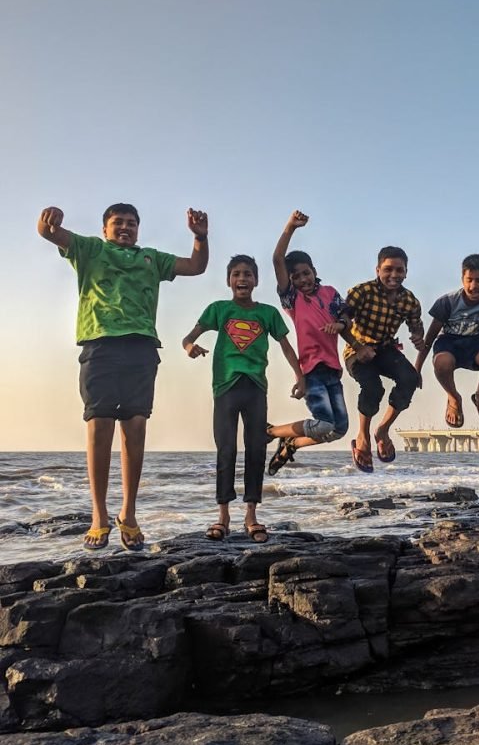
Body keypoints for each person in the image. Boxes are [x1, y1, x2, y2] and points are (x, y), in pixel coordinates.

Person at [37, 203, 209, 551]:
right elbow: (49, 233)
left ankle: (128, 514)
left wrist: (199, 237)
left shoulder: (152, 258)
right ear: (105, 229)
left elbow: (196, 266)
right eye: (118, 223)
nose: (125, 228)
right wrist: (49, 219)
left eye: (131, 223)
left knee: (135, 426)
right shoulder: (90, 249)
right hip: (99, 346)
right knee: (99, 425)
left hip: (142, 347)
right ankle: (99, 515)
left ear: (138, 229)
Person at [182, 255, 304, 542]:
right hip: (225, 387)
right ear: (229, 281)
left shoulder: (267, 313)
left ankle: (251, 515)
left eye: (248, 274)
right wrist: (189, 346)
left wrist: (300, 376)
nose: (242, 279)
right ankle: (222, 515)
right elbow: (189, 337)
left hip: (255, 387)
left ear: (256, 281)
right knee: (226, 450)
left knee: (255, 450)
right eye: (236, 274)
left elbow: (286, 347)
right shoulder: (219, 309)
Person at [266, 211, 349, 474]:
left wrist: (342, 324)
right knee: (324, 424)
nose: (303, 280)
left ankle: (291, 445)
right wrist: (290, 227)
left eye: (306, 273)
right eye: (296, 277)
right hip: (311, 370)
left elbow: (347, 315)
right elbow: (277, 259)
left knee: (339, 429)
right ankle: (271, 432)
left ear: (314, 271)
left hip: (333, 370)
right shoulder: (293, 301)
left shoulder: (330, 293)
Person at [415, 253, 479, 427]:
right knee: (442, 361)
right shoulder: (447, 302)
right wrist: (416, 369)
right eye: (469, 280)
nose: (473, 286)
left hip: (476, 344)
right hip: (448, 343)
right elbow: (429, 339)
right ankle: (454, 398)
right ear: (462, 279)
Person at [345, 246, 425, 472]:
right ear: (378, 269)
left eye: (399, 270)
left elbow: (416, 326)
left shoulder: (409, 300)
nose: (394, 275)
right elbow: (342, 323)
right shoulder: (362, 291)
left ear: (406, 272)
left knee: (410, 378)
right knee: (373, 388)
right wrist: (359, 347)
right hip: (357, 350)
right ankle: (362, 436)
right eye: (388, 269)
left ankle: (382, 430)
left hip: (386, 349)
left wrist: (417, 338)